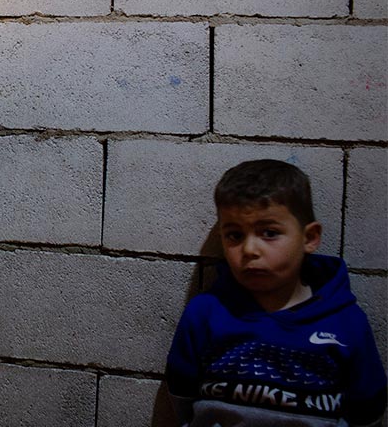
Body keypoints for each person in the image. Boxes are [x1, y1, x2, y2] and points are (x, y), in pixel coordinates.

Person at [165, 159, 387, 427]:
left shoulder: (346, 324)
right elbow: (182, 393)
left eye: (269, 233)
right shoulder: (205, 313)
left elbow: (367, 411)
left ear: (309, 238)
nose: (249, 250)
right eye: (235, 236)